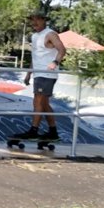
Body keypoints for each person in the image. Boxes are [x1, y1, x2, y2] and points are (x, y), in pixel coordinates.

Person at [16, 12, 66, 143]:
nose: (34, 23)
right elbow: (35, 56)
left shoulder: (50, 34)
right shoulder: (34, 36)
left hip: (47, 73)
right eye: (32, 20)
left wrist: (55, 62)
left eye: (37, 20)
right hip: (38, 73)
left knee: (37, 102)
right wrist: (29, 73)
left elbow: (62, 49)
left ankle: (33, 130)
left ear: (44, 20)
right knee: (43, 104)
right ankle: (53, 131)